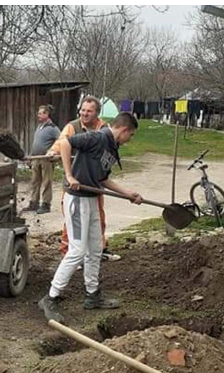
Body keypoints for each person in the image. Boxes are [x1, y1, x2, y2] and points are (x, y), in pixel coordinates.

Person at [38, 112, 142, 322]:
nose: (128, 140)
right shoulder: (97, 137)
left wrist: (127, 193)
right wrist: (69, 175)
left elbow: (102, 179)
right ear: (123, 130)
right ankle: (51, 297)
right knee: (76, 251)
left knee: (95, 248)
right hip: (77, 200)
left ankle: (92, 295)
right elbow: (66, 143)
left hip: (92, 199)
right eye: (129, 136)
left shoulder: (112, 147)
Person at [50, 96, 121, 262]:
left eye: (89, 111)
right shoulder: (72, 126)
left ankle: (98, 250)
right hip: (74, 183)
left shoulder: (103, 129)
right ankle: (68, 253)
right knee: (72, 221)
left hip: (94, 182)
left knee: (98, 220)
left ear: (97, 113)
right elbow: (61, 142)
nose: (84, 114)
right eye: (82, 110)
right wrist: (53, 152)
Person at [25, 104, 60, 214]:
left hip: (46, 159)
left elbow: (61, 141)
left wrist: (54, 153)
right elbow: (35, 144)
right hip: (36, 158)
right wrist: (30, 157)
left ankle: (45, 204)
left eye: (40, 113)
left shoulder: (53, 128)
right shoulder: (39, 127)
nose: (38, 115)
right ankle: (33, 203)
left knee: (46, 182)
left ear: (47, 114)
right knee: (35, 181)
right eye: (38, 113)